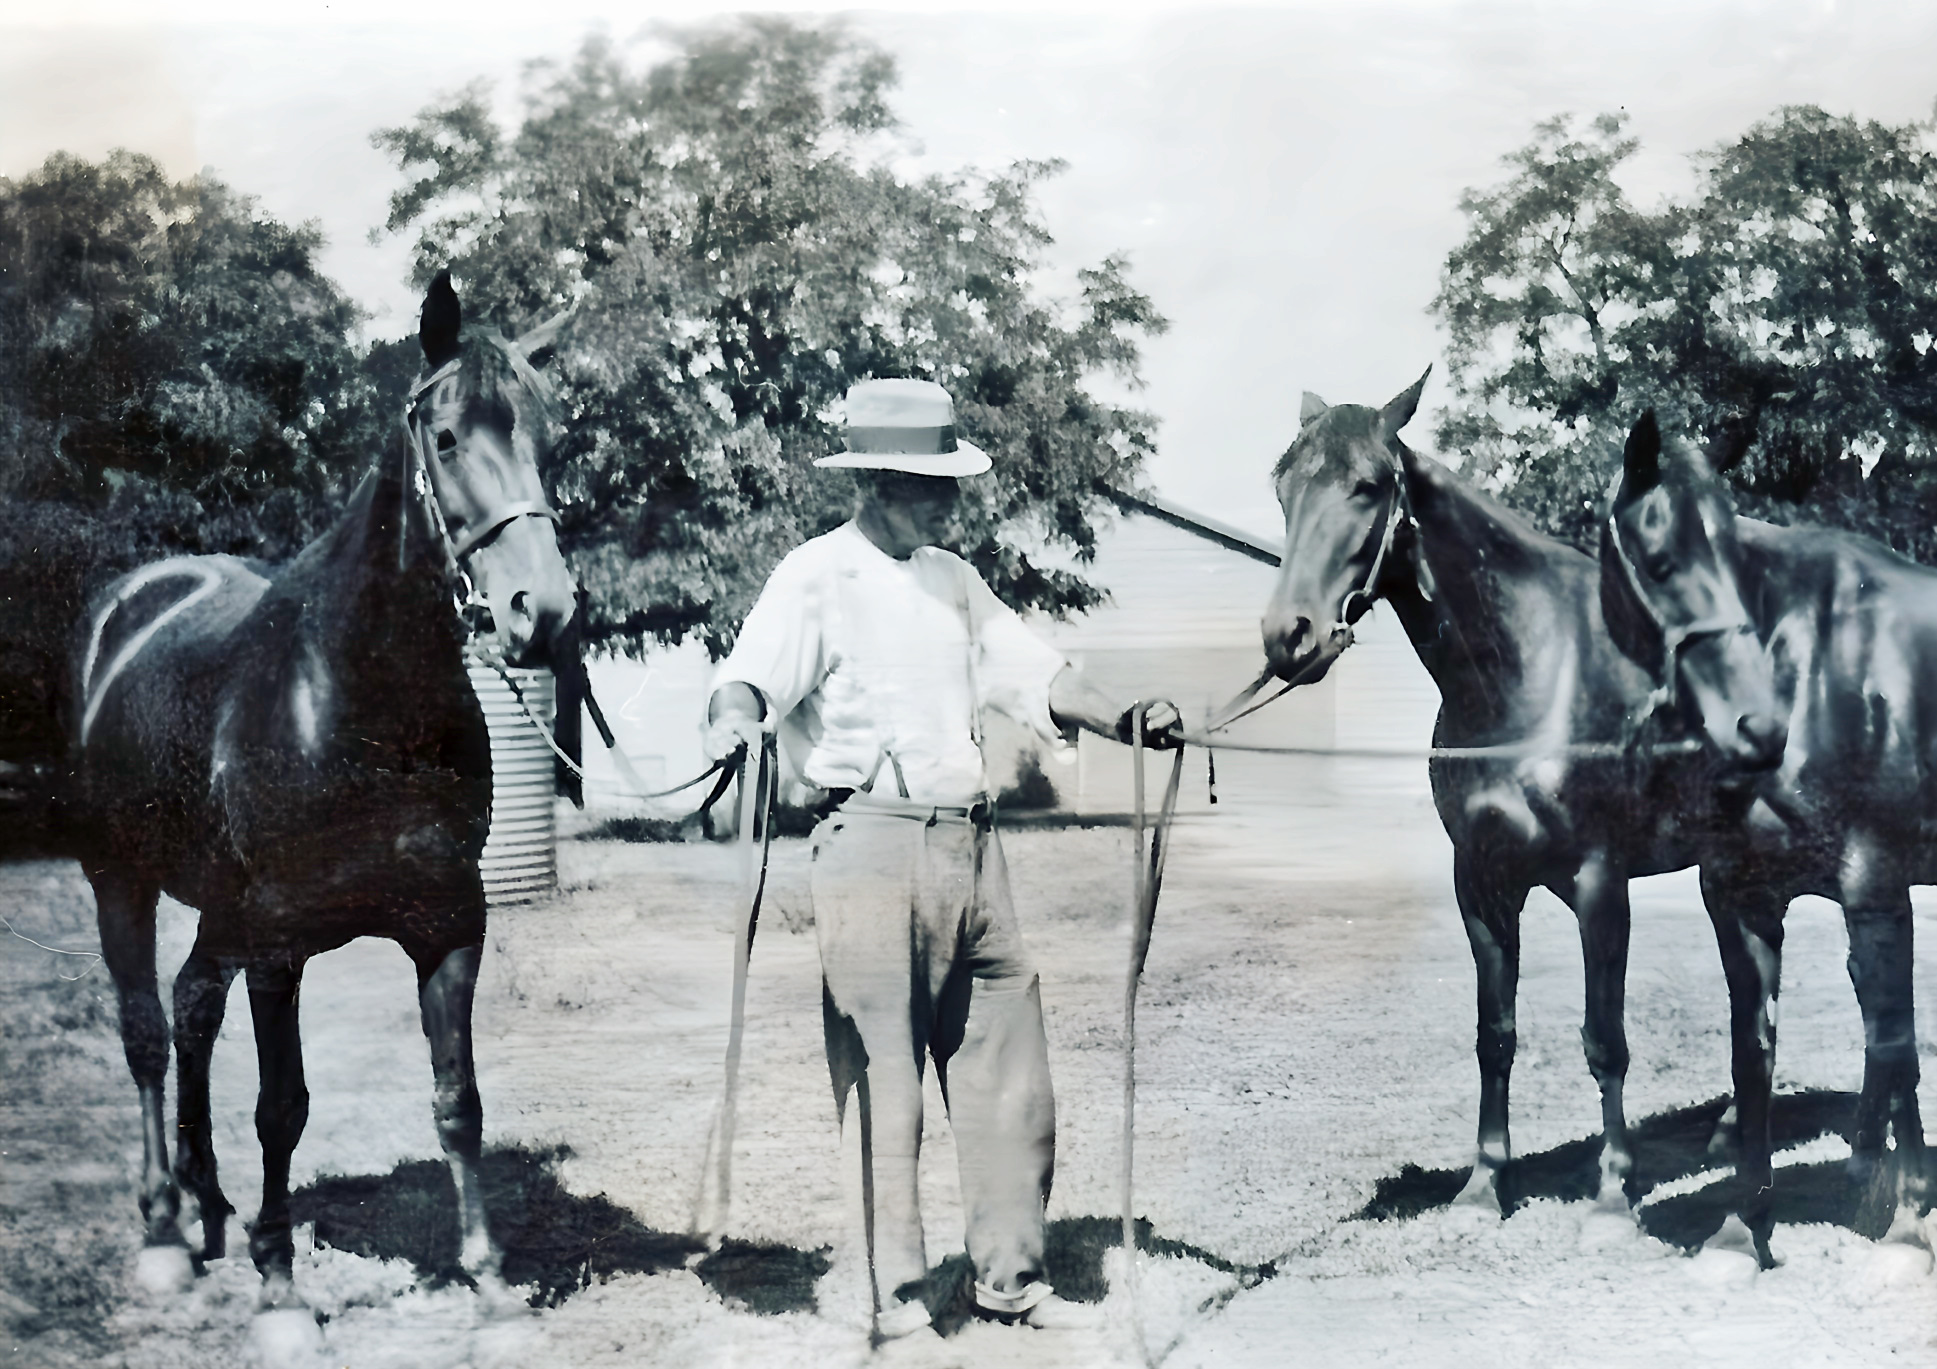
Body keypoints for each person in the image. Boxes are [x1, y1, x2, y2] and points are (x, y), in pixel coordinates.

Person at [702, 378, 1181, 1341]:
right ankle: (898, 1293)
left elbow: (1037, 671)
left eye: (947, 483)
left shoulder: (954, 578)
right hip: (869, 842)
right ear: (876, 482)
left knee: (1010, 1064)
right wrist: (734, 721)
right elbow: (748, 678)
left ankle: (1009, 1279)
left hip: (973, 846)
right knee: (885, 1076)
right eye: (928, 483)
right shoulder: (814, 574)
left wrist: (1124, 716)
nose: (946, 500)